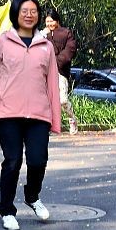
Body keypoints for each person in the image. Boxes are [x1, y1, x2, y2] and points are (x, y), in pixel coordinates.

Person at [0, 0, 61, 230]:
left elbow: (52, 86)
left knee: (38, 160)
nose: (29, 15)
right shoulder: (2, 41)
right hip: (8, 113)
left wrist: (55, 120)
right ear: (16, 13)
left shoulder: (46, 47)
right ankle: (7, 211)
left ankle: (32, 195)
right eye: (24, 11)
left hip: (38, 114)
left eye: (33, 11)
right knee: (12, 161)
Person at [44, 7, 79, 135]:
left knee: (63, 100)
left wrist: (56, 62)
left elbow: (70, 50)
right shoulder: (42, 35)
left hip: (60, 71)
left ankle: (72, 119)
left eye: (52, 21)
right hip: (45, 73)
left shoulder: (66, 33)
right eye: (47, 21)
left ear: (57, 20)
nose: (50, 24)